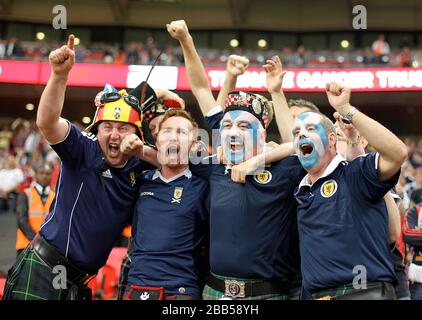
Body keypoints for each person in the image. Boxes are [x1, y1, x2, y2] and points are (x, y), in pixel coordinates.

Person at [2, 35, 160, 300]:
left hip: (80, 284)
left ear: (137, 134)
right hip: (44, 269)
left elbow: (179, 162)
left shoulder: (139, 165)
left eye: (123, 128)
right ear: (96, 130)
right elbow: (47, 122)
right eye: (107, 127)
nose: (114, 135)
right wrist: (59, 76)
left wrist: (143, 151)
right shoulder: (83, 148)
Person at [167, 20, 305, 300]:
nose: (232, 131)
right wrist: (186, 39)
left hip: (268, 295)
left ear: (263, 134)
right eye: (227, 126)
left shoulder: (284, 170)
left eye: (244, 127)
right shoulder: (215, 165)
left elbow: (300, 145)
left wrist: (276, 92)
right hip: (214, 293)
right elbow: (201, 89)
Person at [292, 81, 407, 299]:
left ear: (332, 139)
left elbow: (397, 152)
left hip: (362, 292)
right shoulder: (300, 189)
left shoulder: (354, 173)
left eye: (310, 129)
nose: (301, 135)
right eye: (296, 132)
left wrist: (346, 109)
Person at [121, 109, 208, 300]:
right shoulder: (139, 181)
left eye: (182, 132)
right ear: (157, 139)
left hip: (180, 290)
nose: (174, 138)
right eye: (167, 131)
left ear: (193, 145)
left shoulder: (204, 186)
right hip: (135, 285)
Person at [334, 117, 410, 300]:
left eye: (340, 135)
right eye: (334, 135)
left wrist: (375, 185)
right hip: (340, 281)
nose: (336, 141)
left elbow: (393, 234)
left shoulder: (375, 173)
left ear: (363, 140)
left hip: (385, 278)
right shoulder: (324, 179)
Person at [15, 163, 54, 257]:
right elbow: (21, 221)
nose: (45, 176)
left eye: (48, 173)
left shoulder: (56, 196)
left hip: (50, 249)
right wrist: (37, 241)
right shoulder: (25, 194)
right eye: (41, 173)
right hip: (26, 246)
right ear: (35, 175)